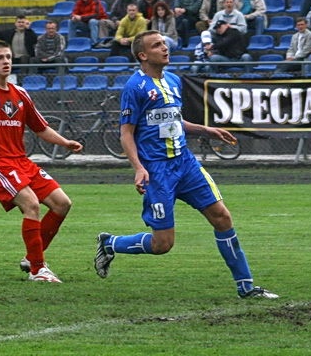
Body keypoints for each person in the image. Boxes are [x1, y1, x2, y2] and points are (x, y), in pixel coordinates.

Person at [94, 30, 278, 299]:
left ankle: (246, 287)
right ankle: (110, 243)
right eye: (157, 45)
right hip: (157, 171)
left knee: (222, 217)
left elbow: (173, 122)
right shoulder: (135, 88)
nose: (164, 48)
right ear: (143, 55)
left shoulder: (173, 80)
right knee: (162, 244)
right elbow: (126, 133)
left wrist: (207, 130)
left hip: (185, 164)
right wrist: (138, 167)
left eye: (164, 43)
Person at [0, 41, 82, 283]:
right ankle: (37, 269)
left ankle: (33, 257)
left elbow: (40, 127)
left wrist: (65, 142)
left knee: (62, 203)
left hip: (22, 161)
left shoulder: (20, 93)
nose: (6, 61)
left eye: (8, 57)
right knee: (31, 205)